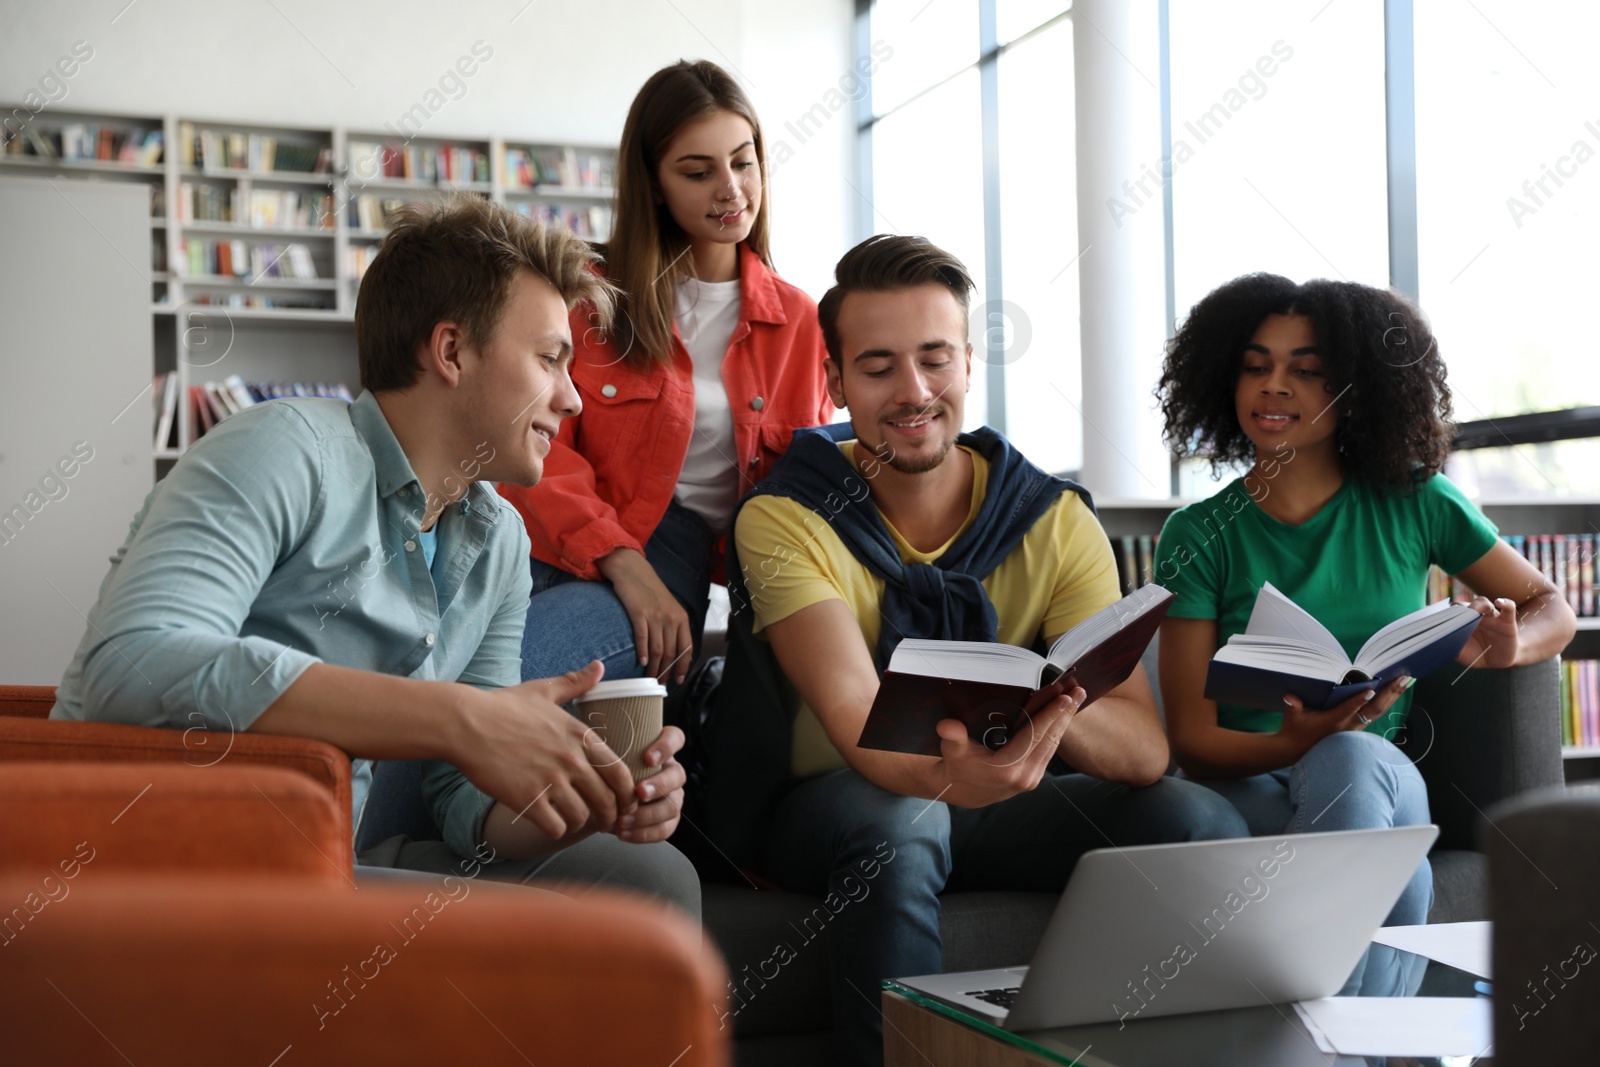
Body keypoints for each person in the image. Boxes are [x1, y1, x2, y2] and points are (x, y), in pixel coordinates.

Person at [49, 195, 698, 915]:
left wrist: (570, 799)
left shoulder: (499, 543)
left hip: (328, 854)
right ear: (451, 351)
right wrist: (457, 717)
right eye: (549, 359)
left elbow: (462, 800)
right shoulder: (282, 447)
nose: (572, 398)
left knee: (651, 879)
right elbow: (131, 662)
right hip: (171, 864)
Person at [724, 235, 1249, 1066]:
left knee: (1199, 819)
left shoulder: (1051, 517)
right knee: (902, 830)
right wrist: (962, 769)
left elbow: (1143, 749)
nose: (914, 391)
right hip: (844, 799)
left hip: (1013, 793)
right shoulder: (786, 514)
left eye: (935, 358)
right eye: (878, 366)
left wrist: (1045, 708)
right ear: (832, 379)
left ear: (969, 361)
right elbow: (862, 720)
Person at [1152, 272, 1577, 992]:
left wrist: (1515, 643)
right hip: (1251, 783)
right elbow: (1193, 740)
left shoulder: (1415, 501)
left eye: (1307, 371)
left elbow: (1549, 605)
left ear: (1357, 389)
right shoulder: (1198, 533)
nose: (1274, 386)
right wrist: (1295, 740)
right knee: (1399, 872)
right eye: (1255, 366)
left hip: (1377, 774)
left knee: (1351, 759)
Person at [495, 59, 832, 690]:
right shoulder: (585, 300)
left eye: (744, 161)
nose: (730, 189)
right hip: (561, 552)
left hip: (703, 566)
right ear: (653, 183)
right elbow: (535, 459)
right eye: (698, 172)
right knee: (475, 685)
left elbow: (803, 494)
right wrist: (627, 564)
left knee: (522, 689)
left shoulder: (801, 321)